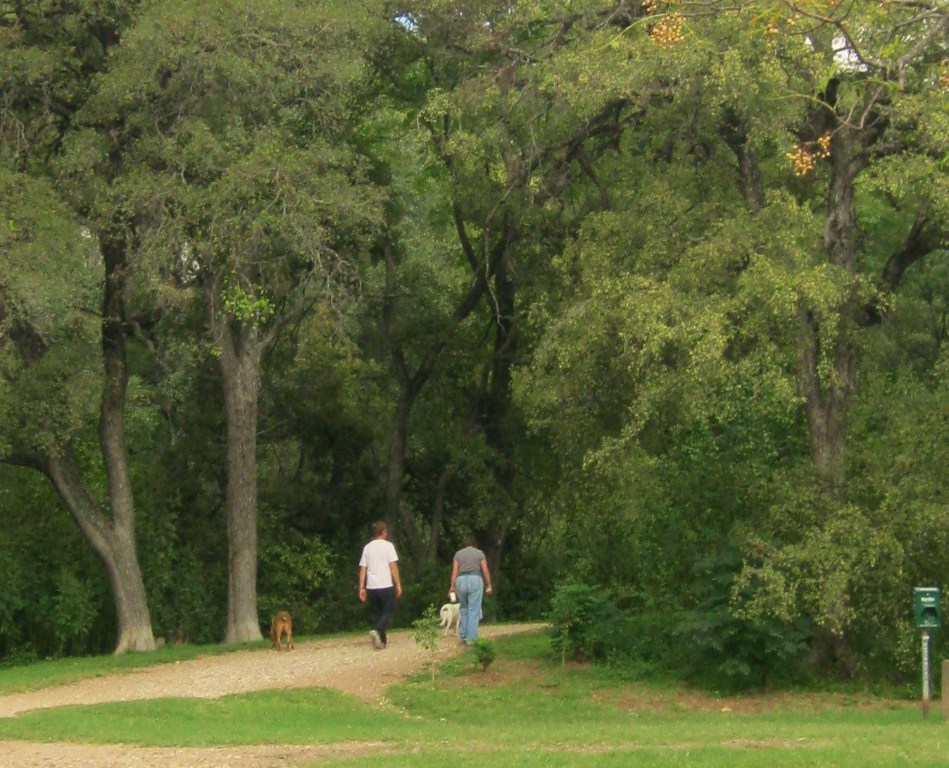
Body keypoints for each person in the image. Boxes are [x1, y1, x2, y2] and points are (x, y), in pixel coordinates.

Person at [358, 521, 402, 649]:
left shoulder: (367, 547)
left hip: (371, 586)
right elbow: (393, 565)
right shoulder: (388, 546)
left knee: (376, 613)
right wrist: (398, 583)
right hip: (385, 584)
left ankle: (381, 641)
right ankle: (378, 630)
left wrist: (361, 587)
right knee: (389, 610)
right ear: (383, 532)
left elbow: (363, 568)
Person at [448, 535, 493, 644]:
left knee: (464, 608)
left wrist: (452, 587)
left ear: (465, 545)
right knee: (474, 609)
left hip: (460, 581)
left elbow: (454, 571)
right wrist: (489, 584)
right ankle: (471, 639)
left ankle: (463, 634)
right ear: (475, 545)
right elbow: (485, 569)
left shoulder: (458, 554)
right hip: (475, 579)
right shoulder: (479, 553)